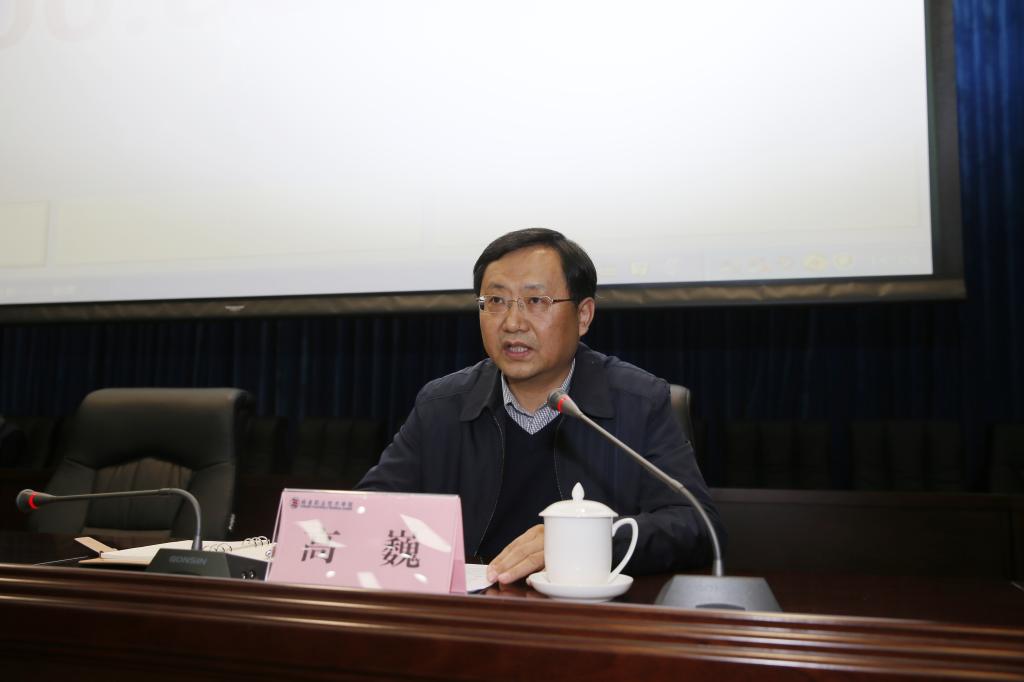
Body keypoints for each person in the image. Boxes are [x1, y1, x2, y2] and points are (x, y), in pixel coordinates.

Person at [357, 228, 723, 585]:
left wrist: (584, 542)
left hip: (591, 615)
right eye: (496, 301)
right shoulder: (441, 406)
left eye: (536, 301)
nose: (512, 323)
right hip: (470, 611)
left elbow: (696, 526)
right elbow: (368, 512)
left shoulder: (639, 402)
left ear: (583, 315)